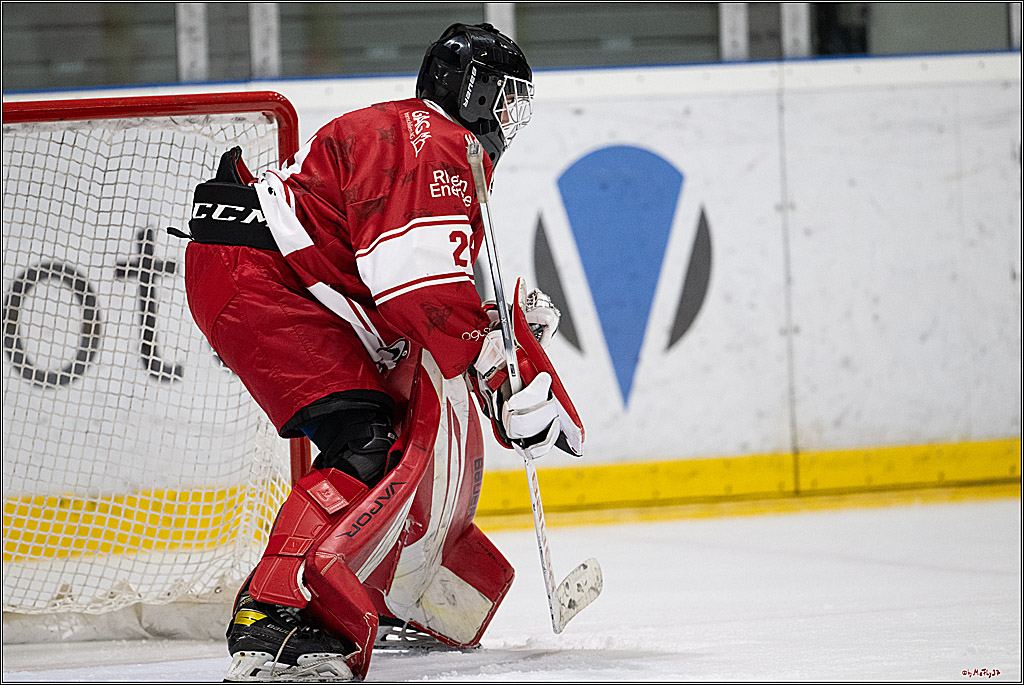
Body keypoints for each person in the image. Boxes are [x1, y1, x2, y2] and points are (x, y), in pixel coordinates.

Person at [182, 22, 582, 682]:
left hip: (266, 272)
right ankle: (275, 609)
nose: (511, 119)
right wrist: (487, 357)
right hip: (256, 275)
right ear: (477, 92)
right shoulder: (436, 144)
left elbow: (420, 290)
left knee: (380, 429)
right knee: (363, 437)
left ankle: (373, 580)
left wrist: (499, 328)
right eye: (507, 99)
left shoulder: (422, 141)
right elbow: (415, 290)